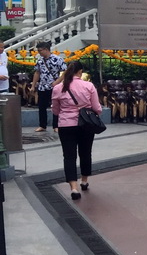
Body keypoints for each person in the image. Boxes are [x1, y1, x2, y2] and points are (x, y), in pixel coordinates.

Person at [50, 60, 102, 200]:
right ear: (80, 72)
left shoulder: (58, 88)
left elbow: (55, 110)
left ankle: (73, 188)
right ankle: (84, 181)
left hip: (66, 125)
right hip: (85, 124)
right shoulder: (88, 85)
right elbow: (96, 107)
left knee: (69, 156)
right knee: (85, 152)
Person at [31, 40, 66, 132]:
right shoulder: (40, 60)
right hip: (42, 86)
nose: (39, 53)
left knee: (55, 106)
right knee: (41, 107)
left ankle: (56, 125)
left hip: (54, 87)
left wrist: (57, 81)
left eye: (40, 51)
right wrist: (33, 85)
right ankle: (42, 125)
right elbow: (37, 72)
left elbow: (65, 72)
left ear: (46, 49)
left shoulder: (57, 59)